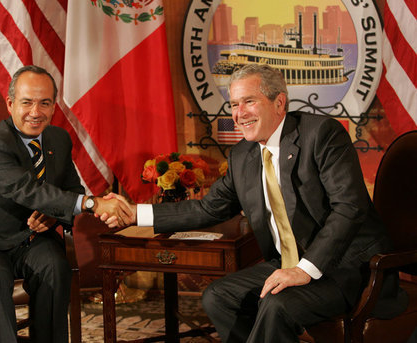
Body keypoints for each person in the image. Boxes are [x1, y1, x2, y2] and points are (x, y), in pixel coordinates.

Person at [100, 64, 407, 342]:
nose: (238, 114)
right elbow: (208, 208)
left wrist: (304, 270)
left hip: (348, 268)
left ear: (279, 102)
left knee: (277, 305)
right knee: (217, 296)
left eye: (249, 101)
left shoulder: (321, 135)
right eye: (234, 104)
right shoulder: (243, 156)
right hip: (289, 262)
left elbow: (349, 208)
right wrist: (133, 214)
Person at [0, 65, 131, 342]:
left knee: (55, 264)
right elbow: (27, 191)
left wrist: (55, 216)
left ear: (53, 107)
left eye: (44, 103)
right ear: (10, 103)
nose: (35, 112)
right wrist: (93, 204)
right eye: (27, 102)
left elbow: (70, 190)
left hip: (30, 238)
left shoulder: (59, 139)